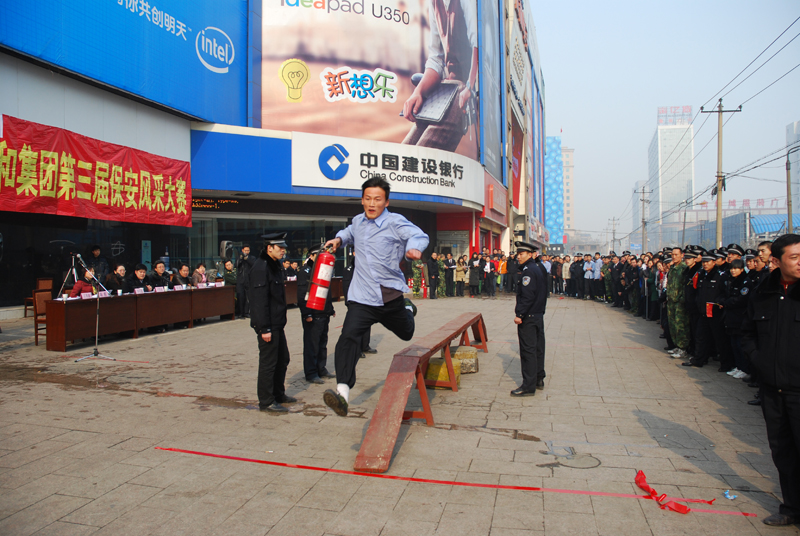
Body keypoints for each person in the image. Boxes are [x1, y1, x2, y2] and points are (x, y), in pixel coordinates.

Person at [321, 177, 428, 417]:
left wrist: (414, 249)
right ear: (362, 200)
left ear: (386, 202)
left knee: (406, 333)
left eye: (377, 199)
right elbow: (349, 232)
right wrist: (338, 239)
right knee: (348, 337)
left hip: (389, 297)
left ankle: (408, 309)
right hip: (362, 297)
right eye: (368, 198)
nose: (372, 203)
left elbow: (419, 235)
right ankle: (342, 393)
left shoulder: (394, 222)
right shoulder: (358, 221)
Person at [740, 233, 800, 527]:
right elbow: (747, 333)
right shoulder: (762, 292)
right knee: (782, 451)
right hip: (772, 388)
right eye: (795, 257)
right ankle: (791, 507)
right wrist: (759, 361)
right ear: (776, 261)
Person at [249, 232, 296, 413]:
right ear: (269, 248)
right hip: (268, 325)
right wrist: (264, 328)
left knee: (282, 359)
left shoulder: (274, 265)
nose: (283, 250)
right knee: (268, 363)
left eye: (284, 247)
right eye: (280, 247)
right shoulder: (261, 267)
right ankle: (266, 401)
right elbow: (259, 301)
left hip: (277, 323)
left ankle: (278, 394)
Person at [511, 241, 547, 396]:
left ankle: (528, 386)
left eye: (521, 254)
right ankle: (538, 378)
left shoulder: (528, 271)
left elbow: (527, 296)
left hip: (529, 317)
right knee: (538, 348)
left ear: (530, 254)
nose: (518, 257)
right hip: (538, 314)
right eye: (518, 254)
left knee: (528, 351)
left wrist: (520, 314)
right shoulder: (539, 267)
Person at [297, 245, 336, 384]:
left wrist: (330, 309)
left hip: (323, 313)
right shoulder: (305, 271)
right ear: (312, 256)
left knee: (322, 343)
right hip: (312, 314)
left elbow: (326, 291)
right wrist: (306, 313)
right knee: (312, 345)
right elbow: (302, 294)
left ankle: (321, 368)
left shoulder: (323, 268)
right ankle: (311, 372)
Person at [666, 247, 689, 359]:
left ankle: (683, 348)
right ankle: (676, 345)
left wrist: (681, 299)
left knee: (680, 325)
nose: (674, 257)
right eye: (672, 255)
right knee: (672, 324)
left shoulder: (684, 268)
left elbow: (685, 286)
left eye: (676, 254)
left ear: (682, 255)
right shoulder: (672, 268)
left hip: (679, 302)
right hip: (671, 301)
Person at [236, 244, 253, 318]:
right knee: (240, 296)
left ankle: (246, 312)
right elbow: (237, 265)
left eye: (248, 250)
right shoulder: (239, 257)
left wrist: (247, 259)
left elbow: (253, 264)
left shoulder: (251, 258)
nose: (246, 252)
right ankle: (240, 313)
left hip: (248, 280)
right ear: (242, 250)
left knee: (248, 297)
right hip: (240, 280)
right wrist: (241, 258)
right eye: (245, 250)